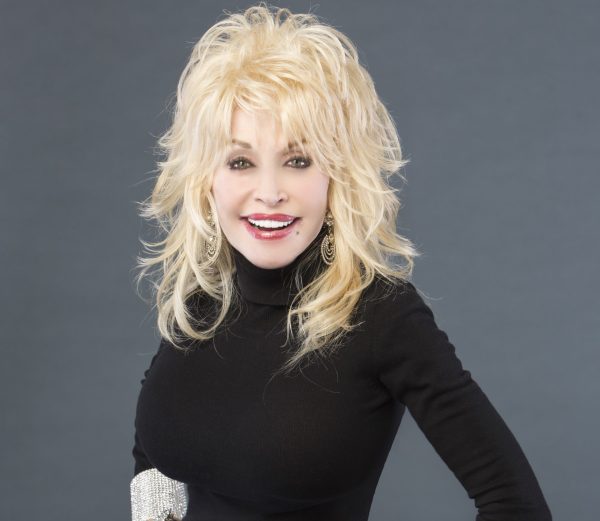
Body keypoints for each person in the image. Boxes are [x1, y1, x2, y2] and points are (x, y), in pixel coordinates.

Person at [129, 3, 552, 521]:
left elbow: (516, 505)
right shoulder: (202, 299)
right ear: (206, 179)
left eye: (298, 160)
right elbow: (152, 455)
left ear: (338, 177)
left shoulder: (381, 315)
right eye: (240, 162)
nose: (269, 192)